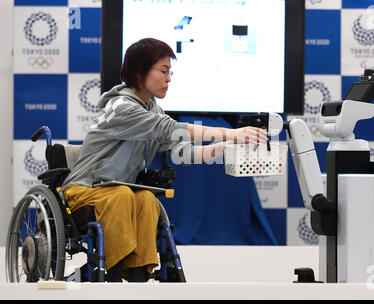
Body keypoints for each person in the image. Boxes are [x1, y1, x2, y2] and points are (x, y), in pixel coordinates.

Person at [61, 38, 267, 282]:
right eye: (163, 71)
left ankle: (138, 271)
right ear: (140, 71)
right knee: (123, 195)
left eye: (170, 72)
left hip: (116, 192)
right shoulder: (121, 107)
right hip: (84, 190)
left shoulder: (152, 109)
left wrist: (226, 145)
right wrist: (232, 132)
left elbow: (184, 152)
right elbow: (170, 129)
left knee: (146, 199)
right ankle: (109, 270)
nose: (169, 78)